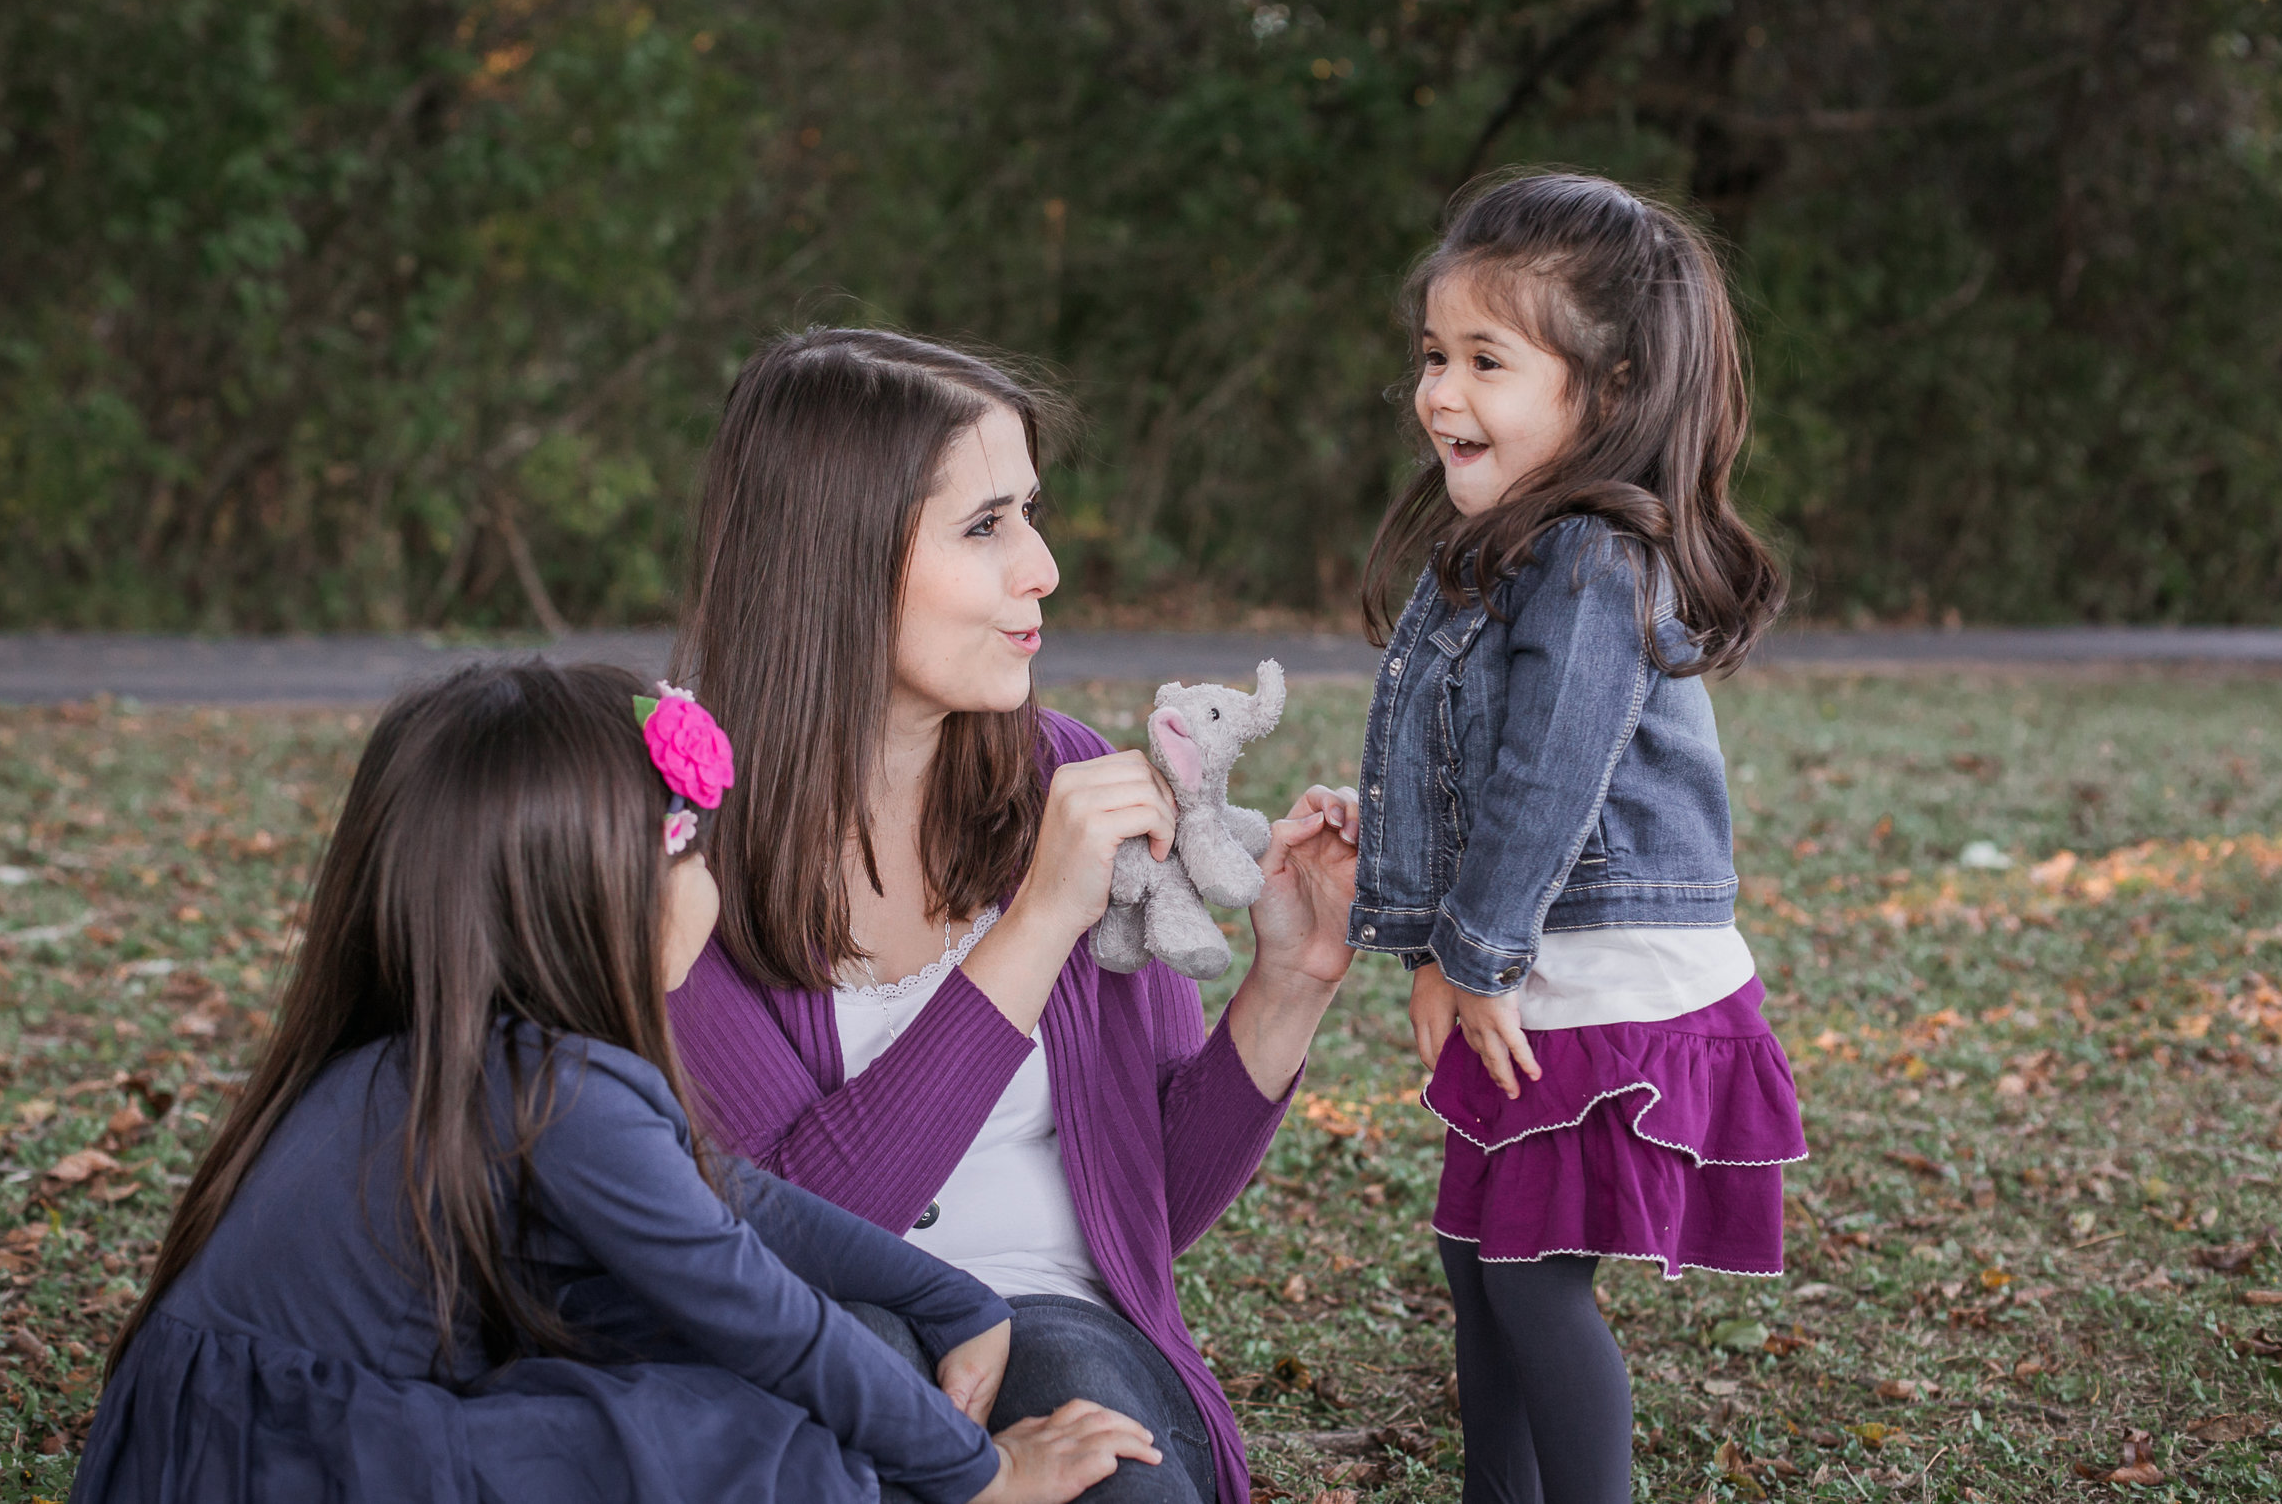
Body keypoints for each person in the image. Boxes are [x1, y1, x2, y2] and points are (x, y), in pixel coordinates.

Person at [73, 660, 1160, 1504]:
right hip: (301, 1459)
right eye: (691, 855)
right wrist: (979, 1469)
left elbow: (735, 1195)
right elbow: (759, 1306)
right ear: (596, 894)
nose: (713, 882)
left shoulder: (482, 1061)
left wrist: (946, 1295)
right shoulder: (561, 1089)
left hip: (240, 1435)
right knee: (753, 1440)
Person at [667, 329, 1364, 1504]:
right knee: (855, 1397)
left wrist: (1288, 980)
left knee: (1102, 1441)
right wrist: (1034, 920)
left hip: (1055, 1324)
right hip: (810, 1339)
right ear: (833, 555)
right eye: (986, 525)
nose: (1041, 564)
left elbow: (1146, 1203)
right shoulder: (676, 845)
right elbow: (789, 1234)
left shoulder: (1066, 776)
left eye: (1030, 512)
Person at [1348, 172, 1810, 1504]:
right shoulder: (1511, 548)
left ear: (1601, 393)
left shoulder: (1595, 560)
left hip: (1599, 981)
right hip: (1537, 967)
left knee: (1530, 1281)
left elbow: (1552, 777)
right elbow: (1478, 765)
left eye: (1486, 359)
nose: (1440, 392)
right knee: (1473, 1257)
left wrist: (1472, 951)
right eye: (1434, 355)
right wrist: (1384, 840)